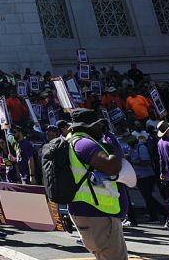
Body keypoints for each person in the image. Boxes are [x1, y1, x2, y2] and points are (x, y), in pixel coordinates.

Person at [66, 108, 130, 260]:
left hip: (89, 212)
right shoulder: (84, 143)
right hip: (97, 213)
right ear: (89, 126)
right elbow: (112, 166)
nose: (101, 129)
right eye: (98, 125)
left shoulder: (72, 142)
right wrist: (113, 149)